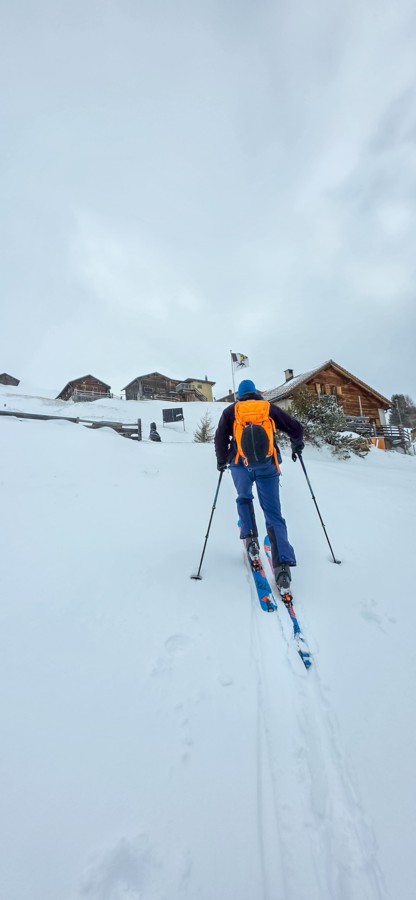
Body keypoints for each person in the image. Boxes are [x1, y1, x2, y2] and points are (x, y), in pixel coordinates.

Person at [214, 379, 304, 590]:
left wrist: (221, 461)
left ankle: (251, 540)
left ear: (239, 395)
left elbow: (220, 438)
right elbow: (295, 427)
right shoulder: (267, 408)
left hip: (239, 465)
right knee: (273, 513)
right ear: (255, 393)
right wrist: (297, 444)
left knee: (244, 499)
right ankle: (282, 567)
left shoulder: (231, 411)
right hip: (267, 466)